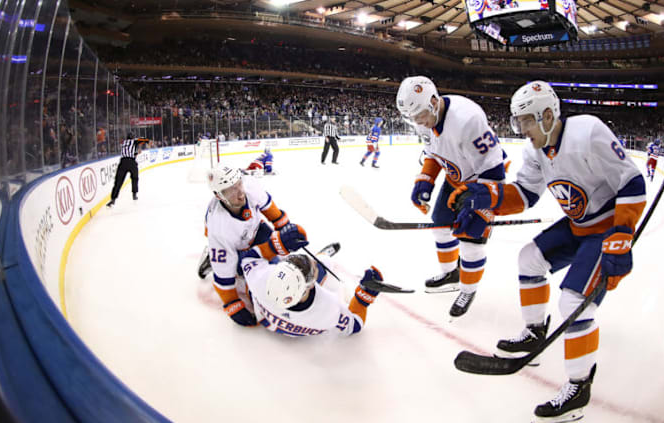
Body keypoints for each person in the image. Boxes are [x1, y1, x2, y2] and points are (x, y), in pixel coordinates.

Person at [448, 80, 646, 422]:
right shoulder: (536, 151)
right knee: (529, 258)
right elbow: (524, 194)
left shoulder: (588, 131)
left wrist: (623, 232)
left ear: (548, 115)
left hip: (605, 230)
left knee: (572, 301)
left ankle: (579, 386)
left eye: (526, 120)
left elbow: (632, 182)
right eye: (518, 121)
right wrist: (485, 196)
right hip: (577, 228)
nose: (522, 129)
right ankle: (534, 332)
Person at [396, 75, 507, 318]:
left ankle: (468, 289)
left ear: (434, 102)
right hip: (455, 175)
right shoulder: (422, 117)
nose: (418, 123)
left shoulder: (469, 120)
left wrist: (483, 207)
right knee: (440, 225)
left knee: (470, 240)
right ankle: (451, 273)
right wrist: (425, 180)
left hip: (482, 180)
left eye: (420, 116)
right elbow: (434, 154)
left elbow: (494, 170)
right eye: (413, 118)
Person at [200, 166, 308, 327]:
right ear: (219, 196)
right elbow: (224, 276)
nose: (240, 193)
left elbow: (270, 209)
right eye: (230, 190)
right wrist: (231, 304)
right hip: (233, 247)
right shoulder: (219, 228)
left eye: (238, 185)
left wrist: (286, 230)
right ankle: (211, 257)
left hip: (255, 229)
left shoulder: (249, 185)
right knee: (247, 272)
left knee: (274, 258)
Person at [237, 243, 383, 337]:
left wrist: (276, 243)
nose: (312, 262)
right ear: (311, 285)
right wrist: (363, 297)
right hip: (295, 329)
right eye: (312, 267)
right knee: (325, 263)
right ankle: (323, 257)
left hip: (266, 319)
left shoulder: (260, 278)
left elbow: (247, 258)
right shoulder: (329, 307)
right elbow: (355, 325)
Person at [106, 133, 150, 207]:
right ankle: (134, 194)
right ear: (133, 138)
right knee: (135, 177)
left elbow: (129, 151)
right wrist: (146, 142)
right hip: (131, 162)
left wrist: (136, 151)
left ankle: (113, 199)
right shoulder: (134, 141)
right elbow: (144, 139)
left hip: (123, 162)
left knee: (118, 182)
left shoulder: (123, 143)